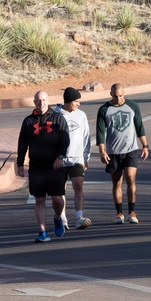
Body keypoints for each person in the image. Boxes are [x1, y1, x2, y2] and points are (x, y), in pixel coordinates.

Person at [16, 91, 70, 242]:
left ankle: (58, 217)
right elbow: (22, 143)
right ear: (34, 102)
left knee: (57, 199)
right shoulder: (28, 121)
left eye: (44, 100)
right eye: (38, 100)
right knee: (39, 200)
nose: (41, 103)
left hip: (55, 166)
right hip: (37, 167)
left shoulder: (58, 118)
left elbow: (65, 139)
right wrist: (20, 163)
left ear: (48, 100)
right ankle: (42, 232)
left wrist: (60, 157)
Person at [96, 84, 149, 224]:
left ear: (124, 94)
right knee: (117, 183)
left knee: (131, 178)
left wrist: (145, 145)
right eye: (115, 96)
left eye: (120, 96)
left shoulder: (133, 106)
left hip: (130, 150)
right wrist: (102, 151)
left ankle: (132, 212)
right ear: (110, 94)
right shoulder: (104, 109)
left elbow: (139, 126)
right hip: (113, 152)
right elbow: (100, 133)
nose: (118, 99)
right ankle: (119, 213)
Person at [56, 87, 92, 230]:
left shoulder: (81, 115)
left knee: (78, 186)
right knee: (60, 190)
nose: (78, 104)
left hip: (77, 158)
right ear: (68, 101)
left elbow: (86, 136)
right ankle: (62, 218)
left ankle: (79, 217)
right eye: (76, 101)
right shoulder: (56, 115)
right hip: (61, 160)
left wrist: (86, 157)